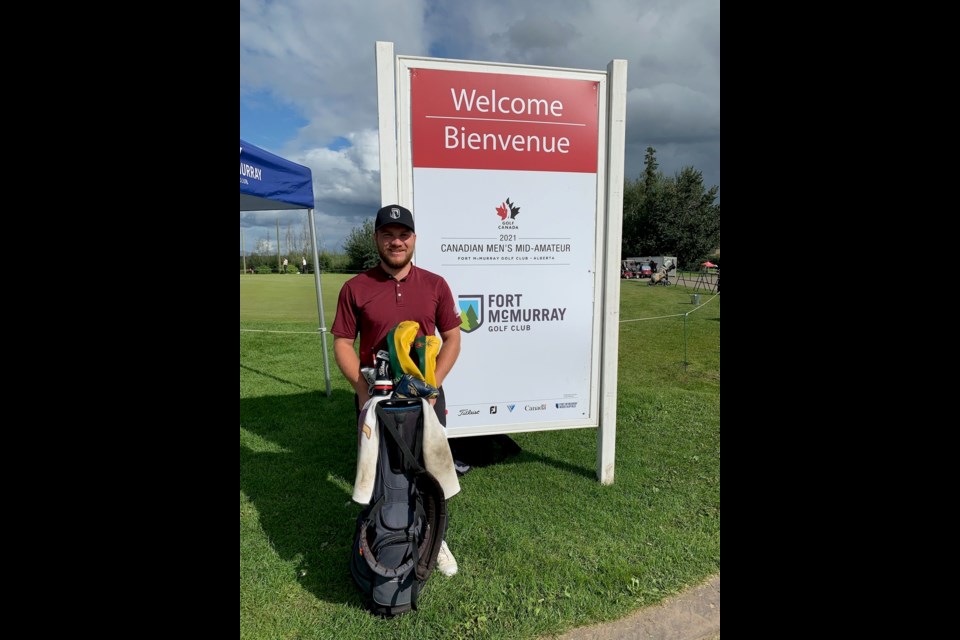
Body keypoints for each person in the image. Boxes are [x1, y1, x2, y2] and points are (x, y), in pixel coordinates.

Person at [331, 203, 463, 576]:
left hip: (425, 399)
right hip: (377, 398)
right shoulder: (355, 287)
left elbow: (452, 338)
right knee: (377, 474)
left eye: (403, 235)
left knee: (429, 469)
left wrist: (432, 381)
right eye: (388, 235)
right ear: (377, 239)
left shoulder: (435, 284)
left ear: (414, 239)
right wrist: (360, 384)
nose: (396, 242)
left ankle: (434, 538)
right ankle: (381, 535)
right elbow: (343, 342)